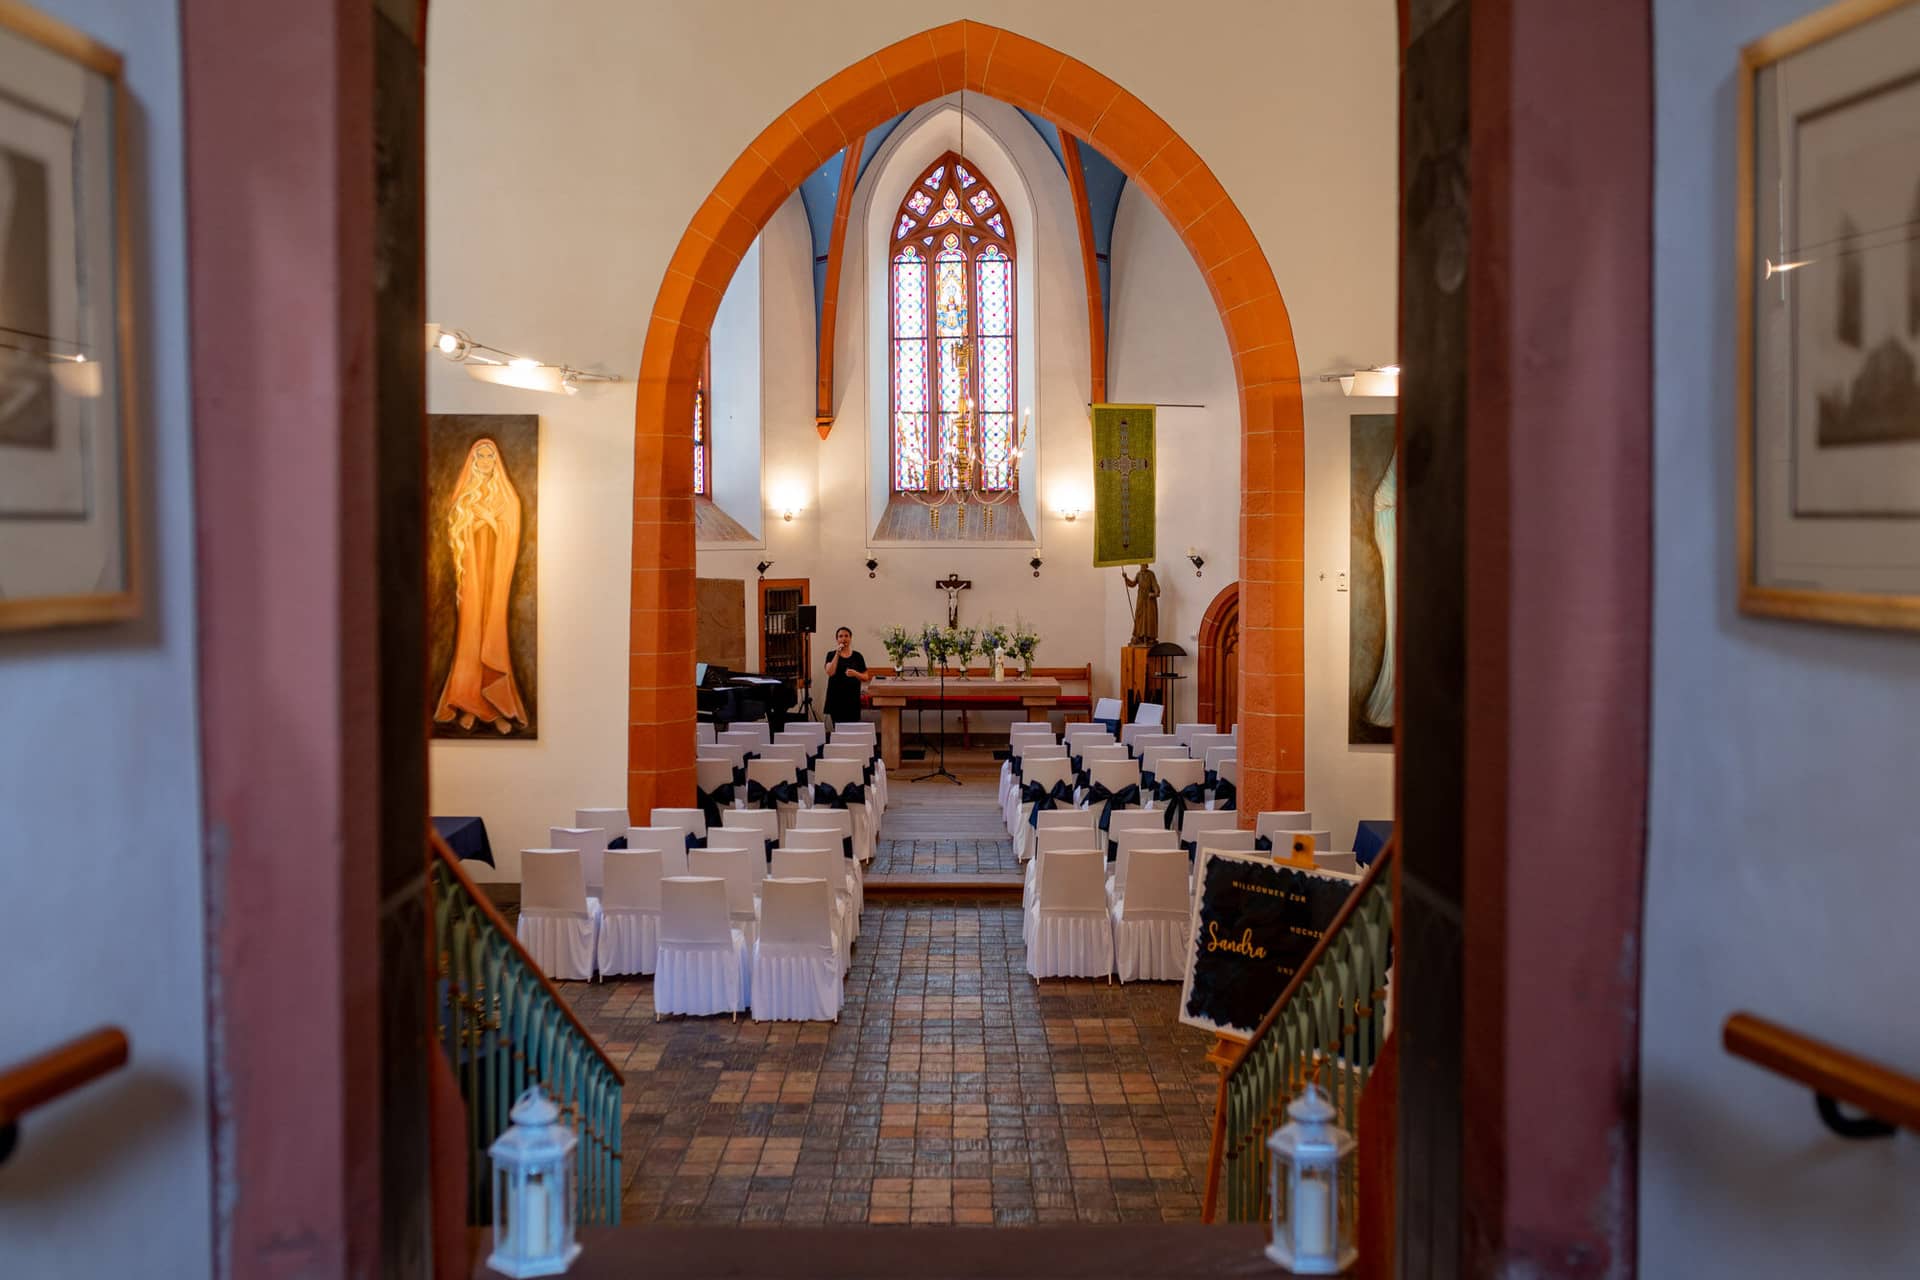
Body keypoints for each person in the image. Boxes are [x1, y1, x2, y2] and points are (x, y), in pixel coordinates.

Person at [433, 437, 529, 733]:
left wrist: (490, 519)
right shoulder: (465, 495)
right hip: (472, 576)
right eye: (480, 456)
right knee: (470, 636)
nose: (485, 461)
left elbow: (510, 526)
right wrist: (476, 522)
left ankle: (496, 707)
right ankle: (468, 704)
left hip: (495, 577)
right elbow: (456, 529)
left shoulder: (507, 497)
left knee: (492, 633)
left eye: (489, 456)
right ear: (473, 462)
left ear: (495, 461)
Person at [822, 626, 871, 727]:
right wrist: (837, 654)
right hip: (836, 699)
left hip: (852, 699)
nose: (843, 638)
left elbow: (866, 677)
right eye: (840, 636)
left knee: (852, 729)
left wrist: (855, 673)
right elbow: (830, 672)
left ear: (850, 638)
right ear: (837, 639)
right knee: (838, 729)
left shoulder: (857, 656)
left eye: (846, 636)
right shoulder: (831, 655)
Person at [1122, 563, 1160, 645]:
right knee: (1139, 616)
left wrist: (1155, 593)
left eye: (1144, 565)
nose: (1142, 566)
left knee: (1149, 618)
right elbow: (1132, 584)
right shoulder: (1138, 574)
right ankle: (1140, 636)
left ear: (1147, 565)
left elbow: (1155, 585)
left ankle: (1150, 637)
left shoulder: (1151, 574)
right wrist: (1126, 578)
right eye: (1141, 565)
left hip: (1149, 600)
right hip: (1141, 599)